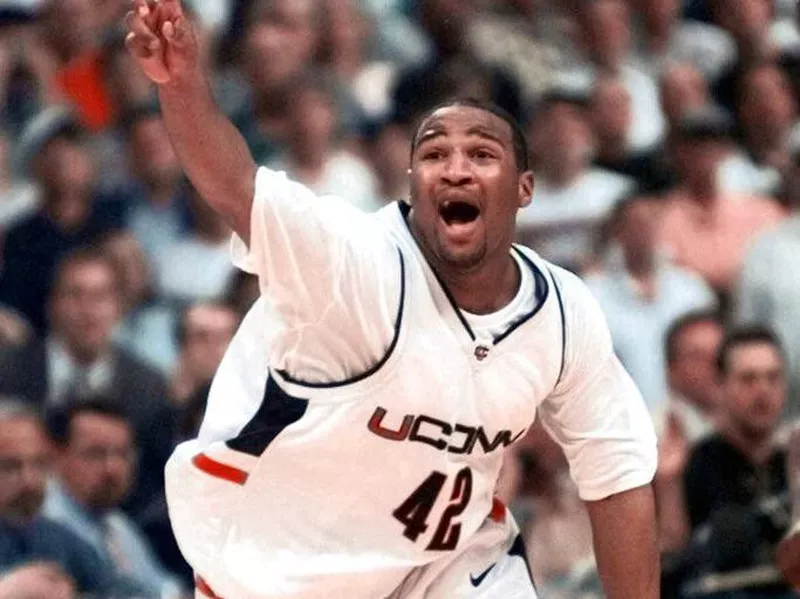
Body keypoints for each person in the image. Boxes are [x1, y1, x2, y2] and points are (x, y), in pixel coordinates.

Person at [124, 1, 659, 597]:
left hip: (443, 566)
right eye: (433, 155)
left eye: (481, 154)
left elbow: (618, 477)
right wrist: (181, 86)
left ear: (524, 188)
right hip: (275, 566)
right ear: (412, 184)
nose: (454, 169)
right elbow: (235, 186)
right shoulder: (352, 263)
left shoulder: (560, 313)